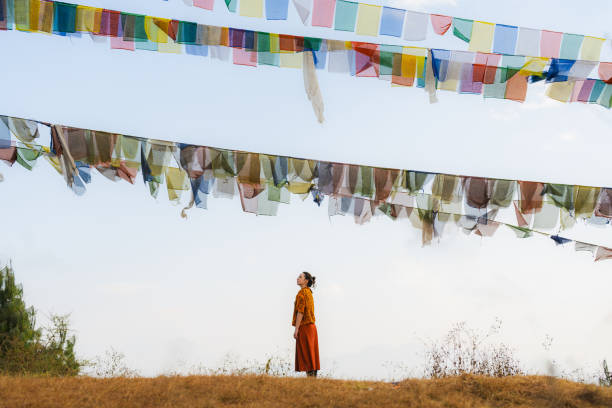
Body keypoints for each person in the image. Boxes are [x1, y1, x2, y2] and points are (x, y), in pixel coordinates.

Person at [292, 271, 320, 378]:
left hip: (305, 327)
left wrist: (296, 329)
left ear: (306, 281)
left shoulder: (302, 293)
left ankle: (310, 380)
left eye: (300, 277)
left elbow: (300, 312)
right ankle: (313, 379)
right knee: (312, 355)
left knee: (306, 355)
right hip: (312, 328)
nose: (298, 278)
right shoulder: (309, 292)